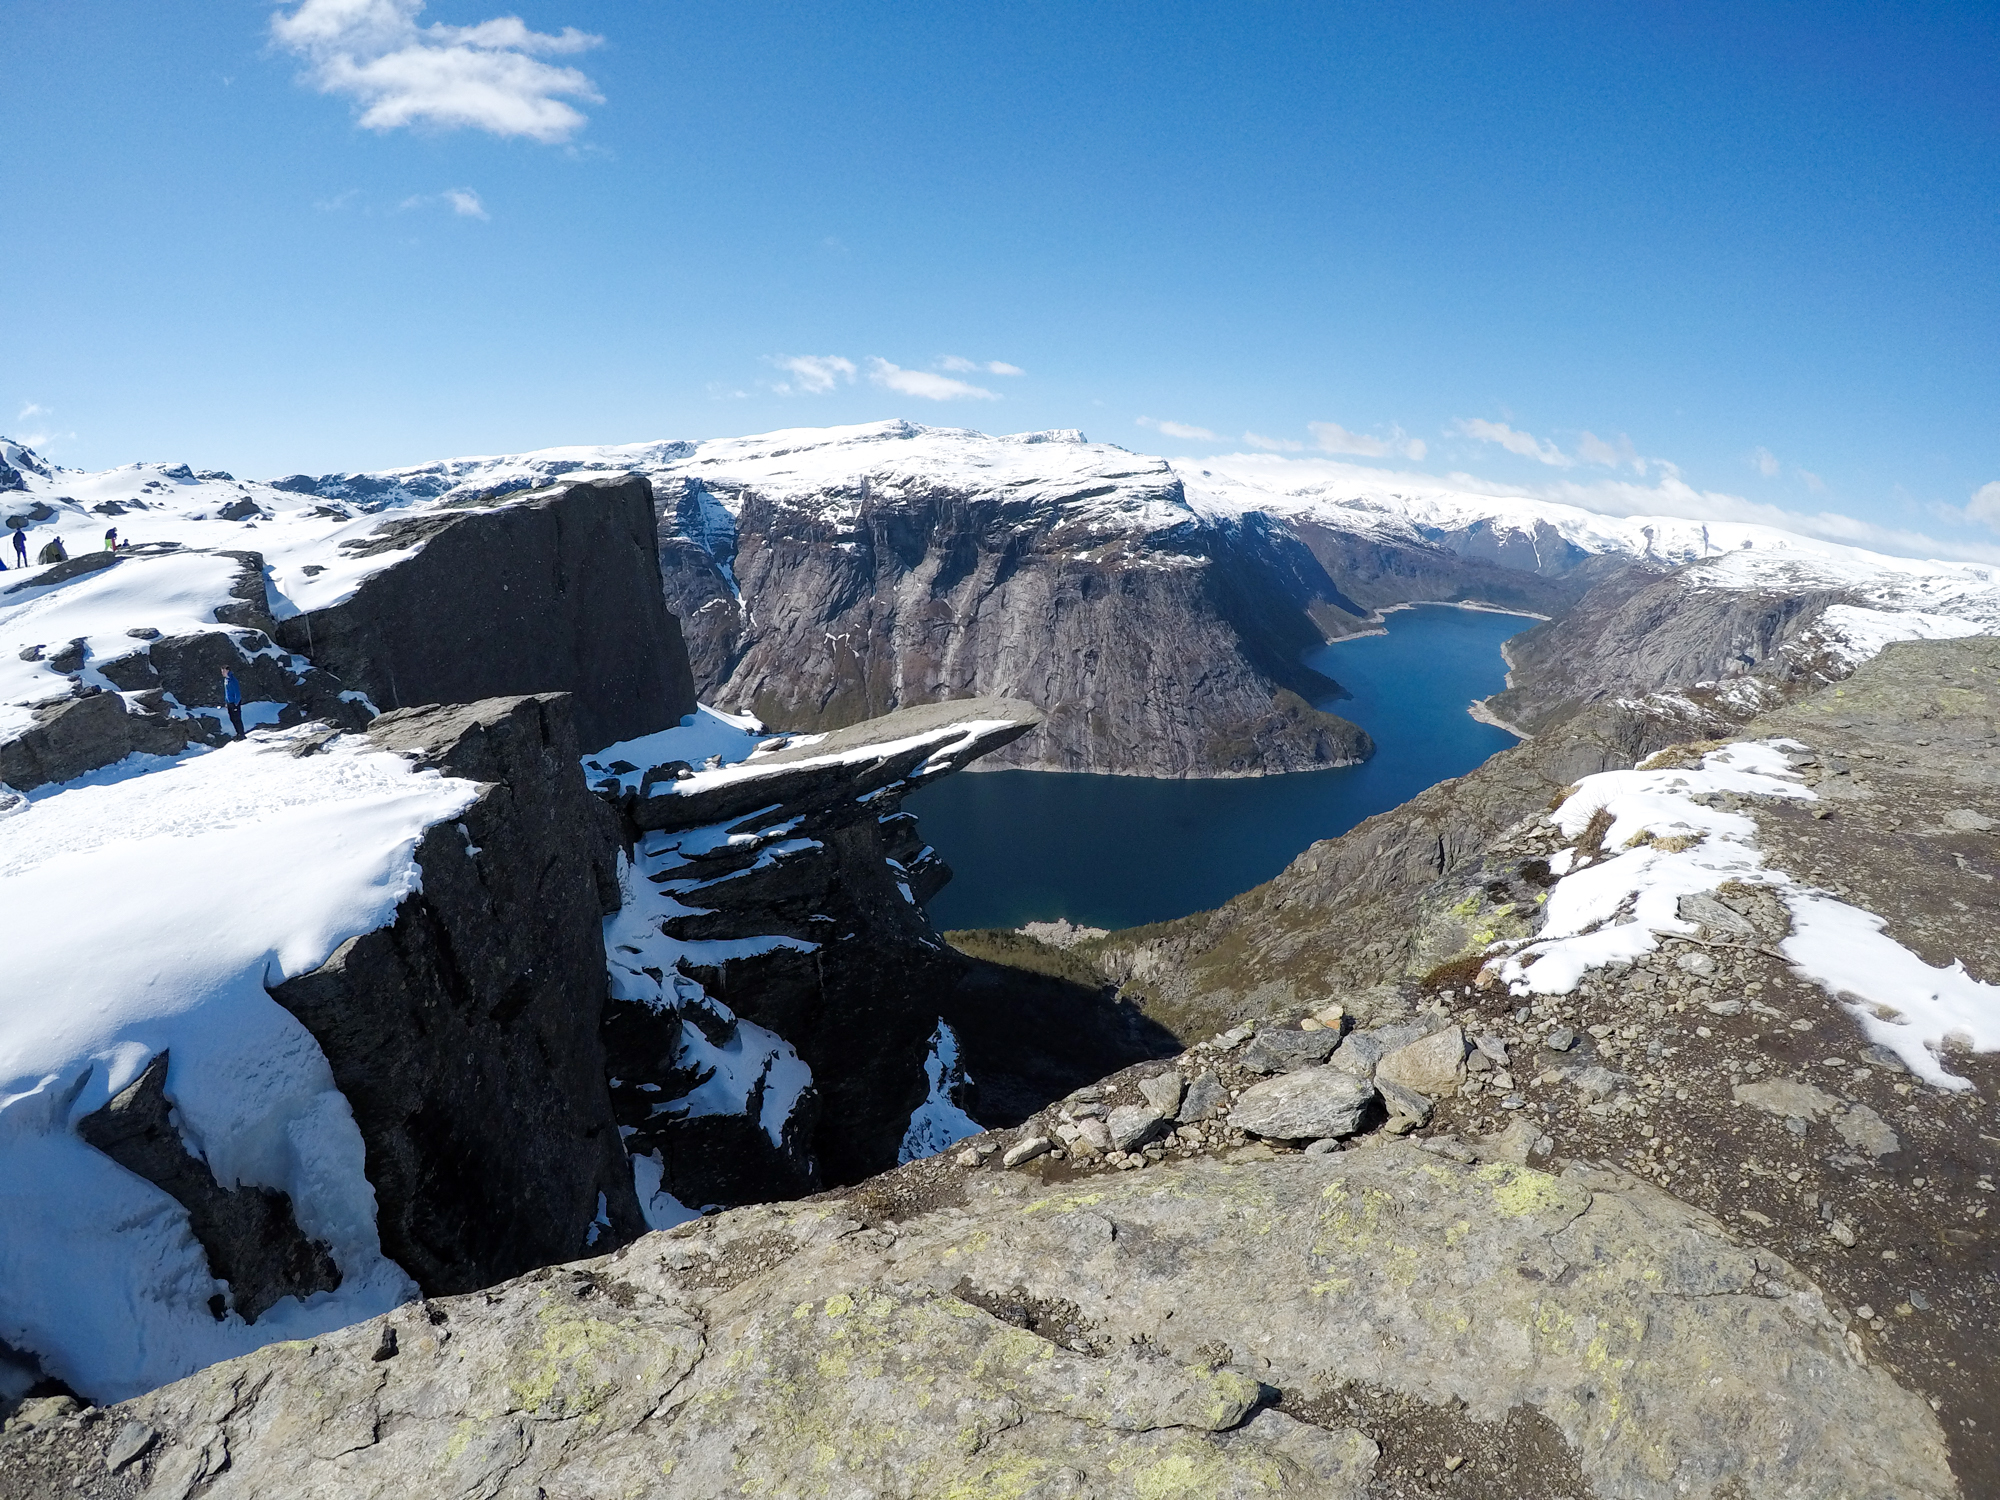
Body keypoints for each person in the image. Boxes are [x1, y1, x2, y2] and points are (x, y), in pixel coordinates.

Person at [221, 665, 245, 741]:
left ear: (227, 670)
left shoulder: (233, 680)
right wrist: (226, 702)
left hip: (234, 702)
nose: (222, 673)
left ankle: (241, 734)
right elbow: (227, 692)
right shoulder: (226, 680)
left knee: (237, 718)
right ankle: (238, 733)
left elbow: (237, 693)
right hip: (229, 702)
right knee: (232, 718)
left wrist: (236, 703)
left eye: (223, 671)